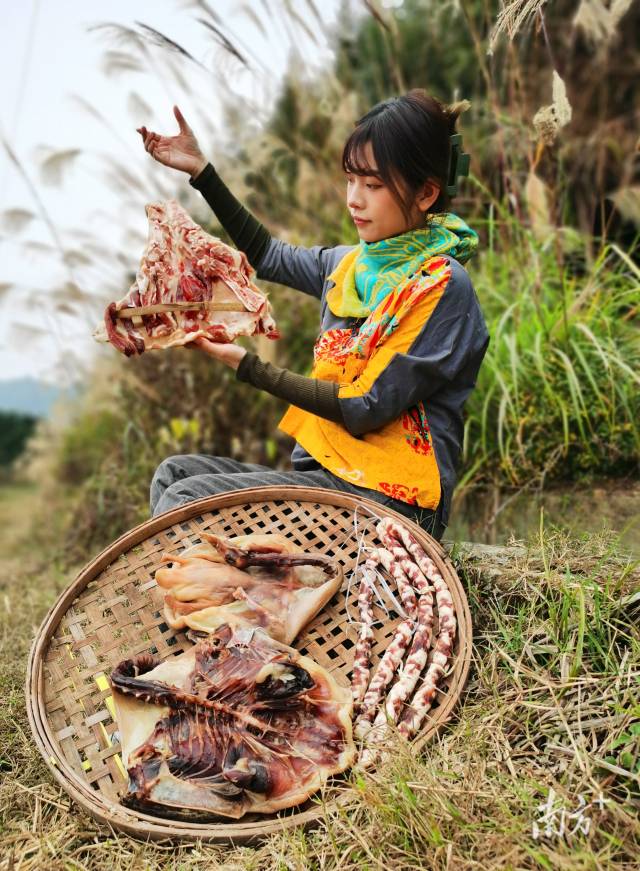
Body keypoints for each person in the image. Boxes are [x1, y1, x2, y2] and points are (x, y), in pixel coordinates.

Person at [139, 91, 489, 540]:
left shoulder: (442, 286)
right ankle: (218, 582)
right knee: (174, 475)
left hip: (389, 503)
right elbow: (268, 255)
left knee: (186, 500)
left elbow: (365, 404)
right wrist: (202, 172)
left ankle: (215, 584)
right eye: (350, 180)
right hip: (329, 480)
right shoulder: (348, 266)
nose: (354, 200)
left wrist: (248, 366)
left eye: (373, 185)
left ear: (425, 193)